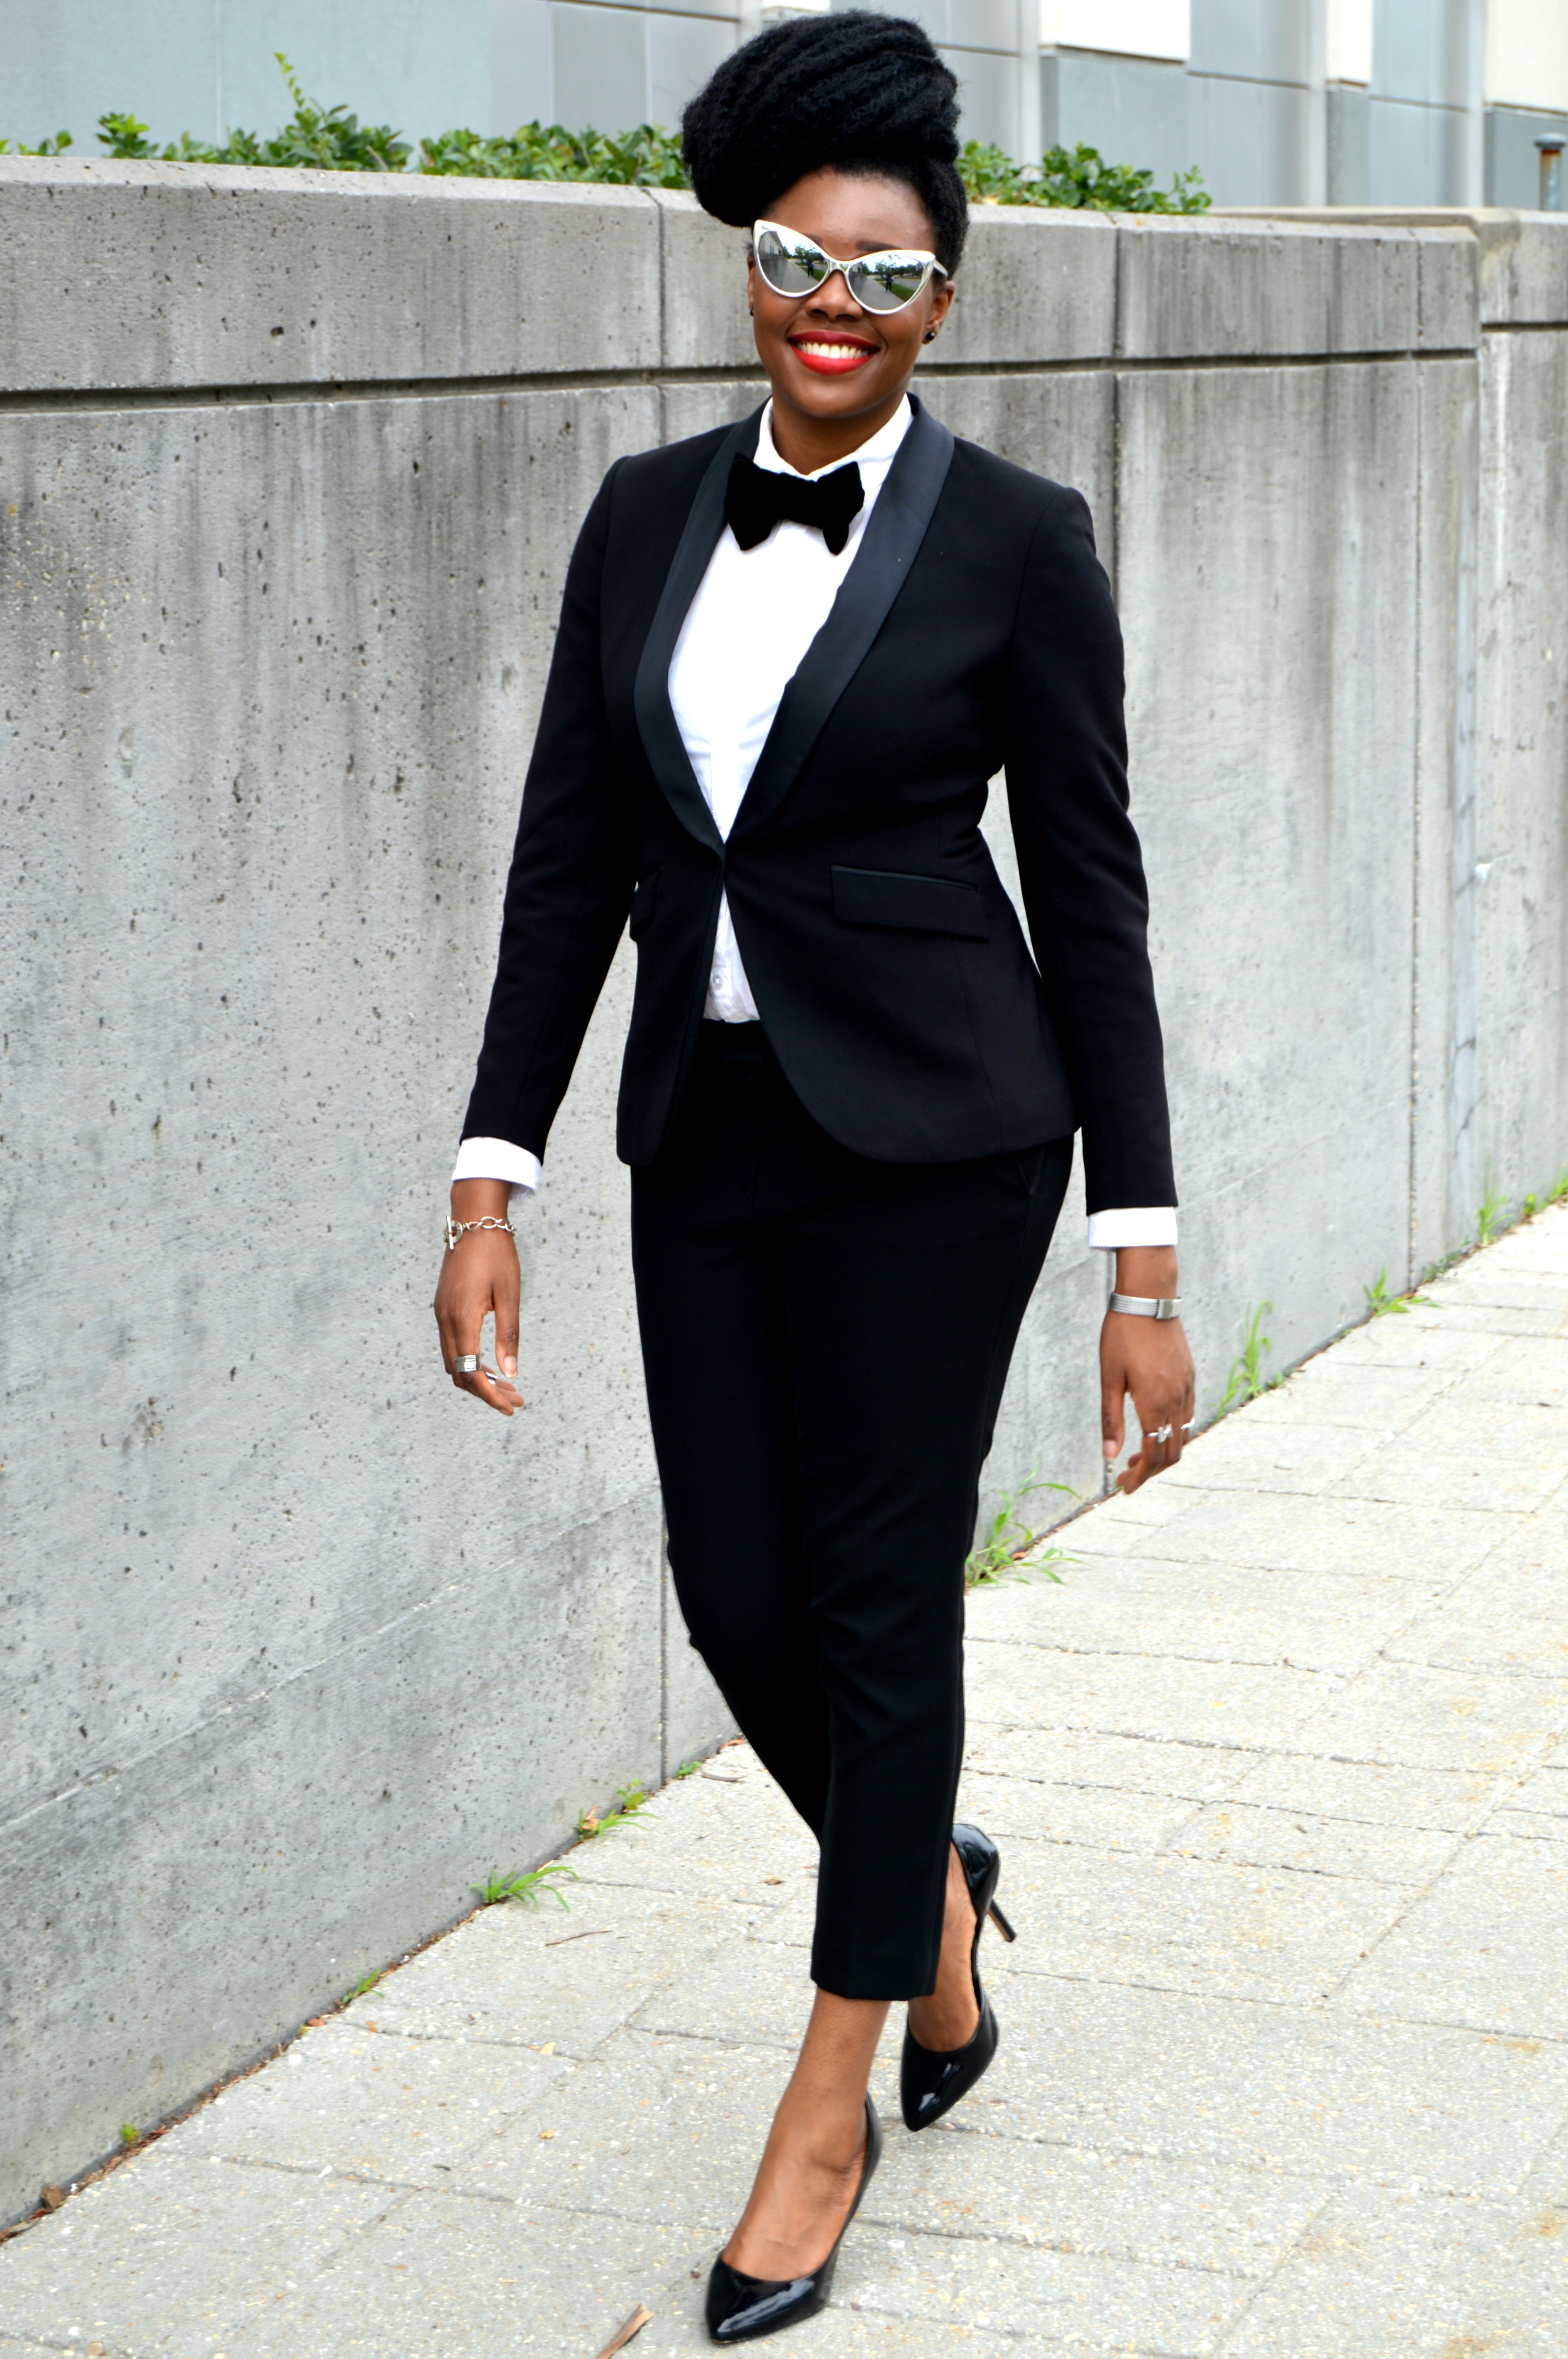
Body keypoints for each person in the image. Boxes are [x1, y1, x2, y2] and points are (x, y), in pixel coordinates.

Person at [434, 11, 1195, 2341]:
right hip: (710, 1123)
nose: (830, 307)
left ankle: (830, 2085)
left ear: (941, 301)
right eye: (792, 263)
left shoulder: (1021, 542)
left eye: (880, 276)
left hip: (946, 1141)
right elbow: (568, 861)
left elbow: (1091, 899)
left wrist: (1140, 1258)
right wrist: (488, 1181)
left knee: (879, 1604)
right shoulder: (640, 510)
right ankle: (935, 1907)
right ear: (747, 271)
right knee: (738, 1595)